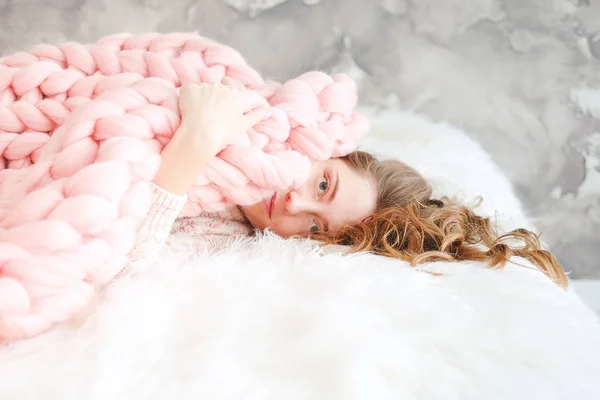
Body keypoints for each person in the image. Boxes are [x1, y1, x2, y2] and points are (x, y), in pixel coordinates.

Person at [124, 78, 568, 289]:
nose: (293, 204)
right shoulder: (252, 106)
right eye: (323, 185)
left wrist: (194, 146)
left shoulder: (221, 237)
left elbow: (117, 263)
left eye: (315, 229)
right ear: (329, 150)